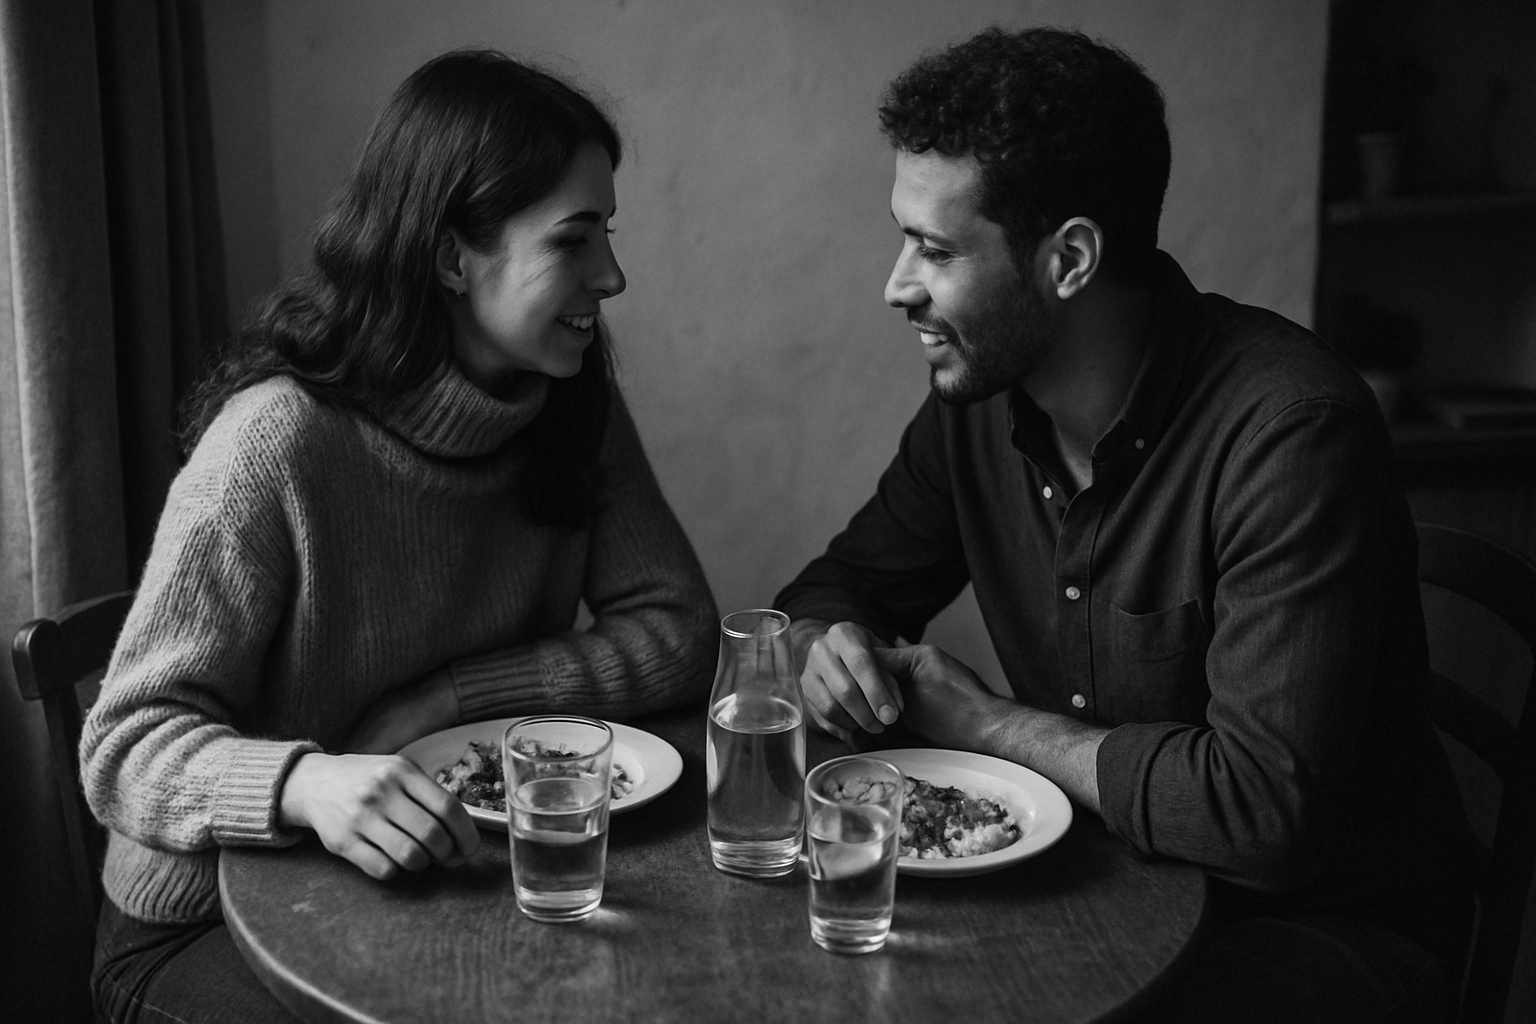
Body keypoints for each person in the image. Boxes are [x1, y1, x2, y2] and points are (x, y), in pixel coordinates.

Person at [775, 27, 1473, 1023]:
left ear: (1069, 259)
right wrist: (822, 645)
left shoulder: (1289, 434)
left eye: (934, 248)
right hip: (1105, 888)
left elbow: (1258, 815)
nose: (898, 284)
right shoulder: (975, 405)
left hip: (1321, 932)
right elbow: (841, 586)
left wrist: (987, 728)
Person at [80, 49, 717, 1023]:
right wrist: (309, 781)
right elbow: (124, 745)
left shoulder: (568, 399)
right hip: (206, 923)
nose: (614, 275)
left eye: (609, 234)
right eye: (574, 240)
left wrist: (445, 701)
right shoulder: (277, 441)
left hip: (439, 881)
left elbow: (677, 630)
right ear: (452, 256)